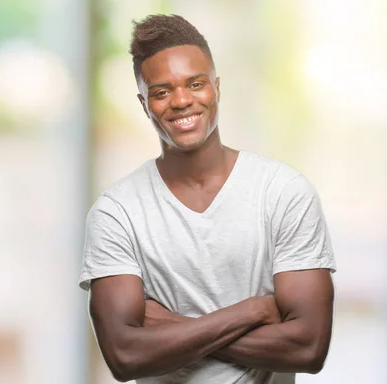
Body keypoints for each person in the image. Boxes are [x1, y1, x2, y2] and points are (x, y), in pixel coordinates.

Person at [78, 14, 336, 384]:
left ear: (217, 86)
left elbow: (308, 348)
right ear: (143, 102)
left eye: (195, 84)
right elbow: (124, 355)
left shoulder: (283, 193)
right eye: (162, 91)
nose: (182, 101)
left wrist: (169, 326)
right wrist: (252, 311)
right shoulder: (117, 213)